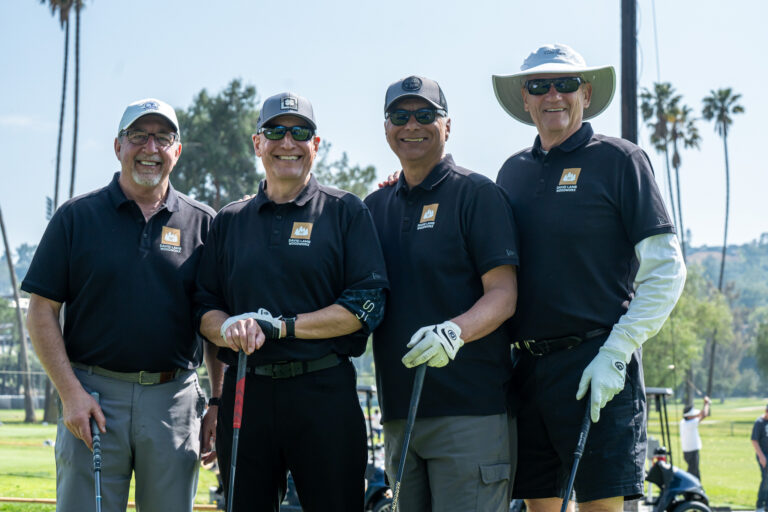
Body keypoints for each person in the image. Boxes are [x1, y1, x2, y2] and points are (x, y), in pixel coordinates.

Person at [491, 44, 687, 511]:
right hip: (529, 372)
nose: (552, 95)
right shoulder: (511, 172)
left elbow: (667, 270)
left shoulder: (621, 160)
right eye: (539, 85)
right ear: (525, 97)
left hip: (598, 365)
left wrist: (618, 352)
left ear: (587, 92)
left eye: (565, 84)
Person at [195, 92, 389, 511]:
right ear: (257, 143)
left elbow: (365, 305)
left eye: (300, 132)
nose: (288, 142)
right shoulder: (230, 220)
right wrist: (228, 327)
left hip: (323, 391)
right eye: (275, 131)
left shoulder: (345, 211)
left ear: (315, 145)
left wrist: (280, 326)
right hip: (248, 390)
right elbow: (205, 307)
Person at [22, 98, 217, 512]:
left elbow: (213, 321)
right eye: (138, 136)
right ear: (117, 146)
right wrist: (70, 393)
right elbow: (40, 312)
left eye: (163, 138)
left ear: (177, 151)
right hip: (90, 396)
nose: (150, 148)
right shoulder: (76, 217)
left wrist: (216, 401)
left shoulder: (204, 223)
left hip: (173, 399)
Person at [365, 76, 520, 511]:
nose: (412, 125)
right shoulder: (373, 208)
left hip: (470, 412)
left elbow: (503, 294)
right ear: (386, 128)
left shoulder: (477, 194)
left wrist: (455, 331)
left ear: (447, 126)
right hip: (398, 416)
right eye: (400, 116)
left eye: (425, 115)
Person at [680, 396, 711, 480]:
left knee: (694, 471)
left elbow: (700, 414)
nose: (696, 415)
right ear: (689, 416)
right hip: (692, 452)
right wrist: (706, 403)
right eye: (693, 415)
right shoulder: (691, 423)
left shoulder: (683, 422)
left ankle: (695, 489)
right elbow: (704, 414)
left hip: (687, 452)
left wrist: (705, 405)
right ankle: (690, 490)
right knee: (693, 473)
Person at [751, 404, 768, 512]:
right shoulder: (759, 423)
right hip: (764, 455)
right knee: (766, 479)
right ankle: (760, 504)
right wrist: (762, 457)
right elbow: (754, 440)